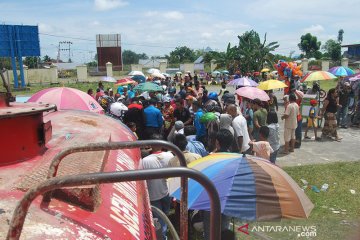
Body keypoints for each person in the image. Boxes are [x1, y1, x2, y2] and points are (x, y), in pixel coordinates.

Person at [141, 134, 174, 240]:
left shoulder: (145, 161)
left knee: (159, 218)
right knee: (165, 214)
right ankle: (164, 233)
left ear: (151, 144)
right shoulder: (170, 156)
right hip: (167, 191)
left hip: (153, 194)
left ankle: (162, 236)